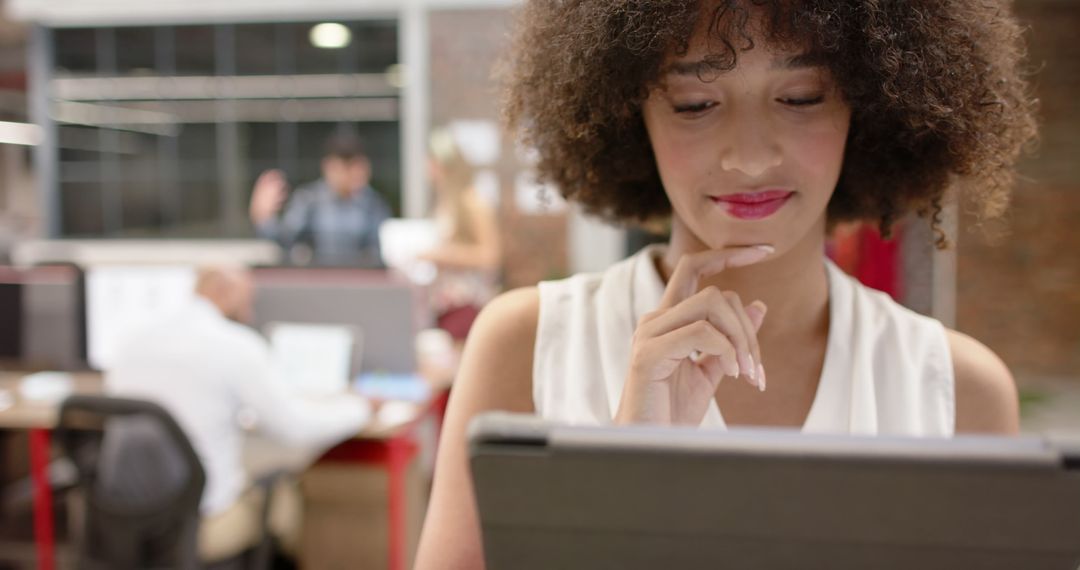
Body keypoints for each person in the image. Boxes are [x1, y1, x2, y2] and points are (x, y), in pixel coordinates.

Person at [415, 1, 1038, 568]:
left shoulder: (958, 391)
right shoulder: (527, 348)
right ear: (631, 113)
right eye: (695, 105)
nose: (750, 157)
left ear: (871, 105)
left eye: (800, 97)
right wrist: (626, 474)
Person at [106, 266, 373, 563]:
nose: (249, 314)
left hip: (129, 515)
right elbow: (294, 427)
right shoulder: (235, 344)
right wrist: (360, 409)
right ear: (225, 292)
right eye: (247, 301)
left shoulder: (131, 341)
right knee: (284, 490)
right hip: (202, 520)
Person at [249, 130, 392, 267]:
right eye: (347, 167)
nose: (356, 174)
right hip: (317, 282)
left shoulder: (374, 205)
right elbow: (285, 238)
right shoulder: (310, 200)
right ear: (329, 167)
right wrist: (264, 219)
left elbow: (381, 251)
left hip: (362, 283)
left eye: (360, 167)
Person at [420, 127, 502, 343]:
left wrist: (442, 255)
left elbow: (490, 255)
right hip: (443, 302)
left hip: (468, 303)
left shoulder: (472, 201)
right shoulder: (444, 202)